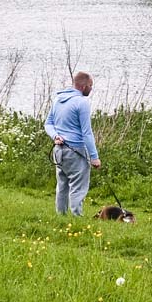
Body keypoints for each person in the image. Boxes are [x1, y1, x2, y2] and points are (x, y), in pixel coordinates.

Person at [44, 72, 101, 216]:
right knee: (78, 187)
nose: (91, 88)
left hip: (59, 150)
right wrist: (94, 157)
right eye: (90, 85)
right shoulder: (81, 103)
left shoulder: (58, 99)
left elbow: (48, 123)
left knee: (62, 185)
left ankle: (61, 216)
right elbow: (87, 133)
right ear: (83, 86)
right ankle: (77, 218)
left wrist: (55, 136)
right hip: (76, 150)